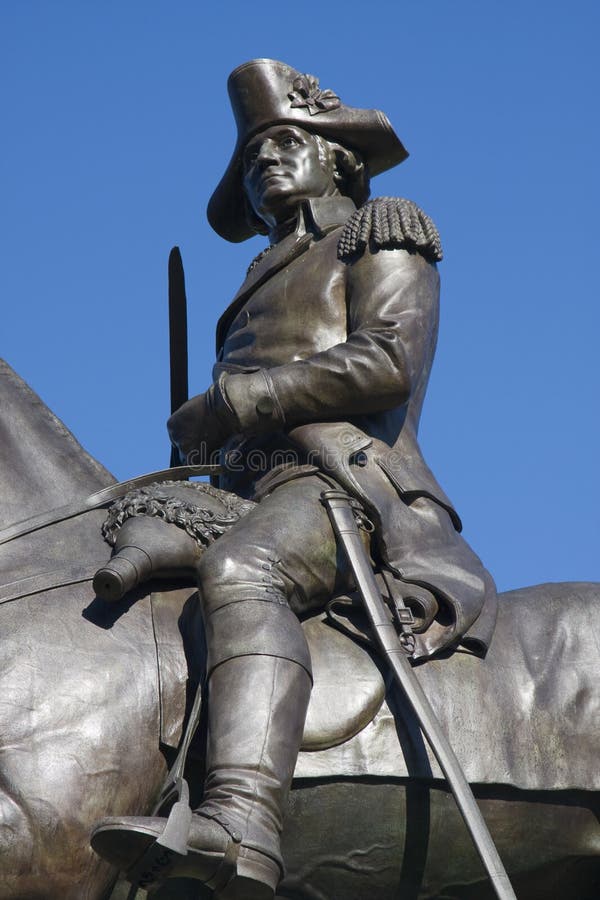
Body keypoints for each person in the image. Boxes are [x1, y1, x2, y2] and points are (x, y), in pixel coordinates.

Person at [91, 59, 497, 898]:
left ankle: (241, 822)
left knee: (246, 569)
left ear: (336, 158)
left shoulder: (379, 228)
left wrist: (234, 401)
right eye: (251, 157)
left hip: (343, 485)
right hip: (243, 488)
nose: (263, 161)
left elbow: (387, 361)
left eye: (284, 143)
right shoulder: (256, 278)